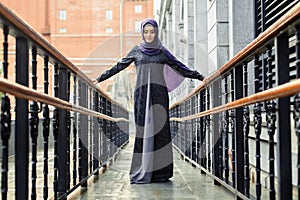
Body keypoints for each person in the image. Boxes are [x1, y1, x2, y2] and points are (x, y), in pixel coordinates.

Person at [95, 18, 205, 184]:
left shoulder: (162, 52)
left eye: (152, 31)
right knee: (143, 132)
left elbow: (180, 67)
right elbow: (119, 66)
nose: (148, 35)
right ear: (142, 33)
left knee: (160, 132)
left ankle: (160, 174)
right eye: (145, 31)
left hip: (159, 96)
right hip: (141, 97)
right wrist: (99, 79)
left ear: (156, 32)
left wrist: (200, 77)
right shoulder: (136, 51)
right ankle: (142, 170)